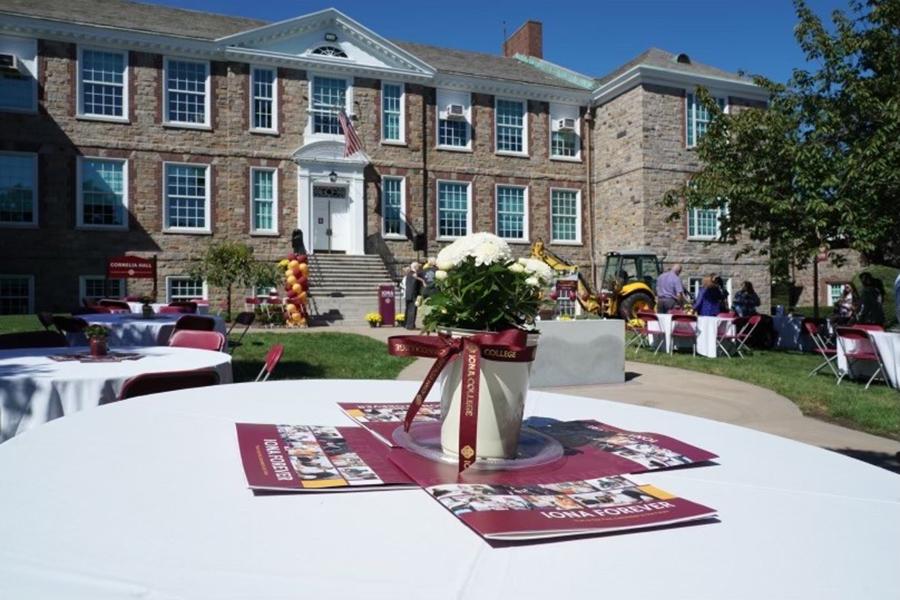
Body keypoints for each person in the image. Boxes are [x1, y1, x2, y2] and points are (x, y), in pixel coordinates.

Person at [403, 262, 424, 330]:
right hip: (413, 295)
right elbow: (415, 284)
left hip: (408, 294)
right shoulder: (414, 274)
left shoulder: (409, 273)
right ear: (415, 267)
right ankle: (410, 326)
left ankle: (406, 324)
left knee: (408, 310)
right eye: (418, 267)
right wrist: (423, 281)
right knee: (412, 310)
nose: (418, 268)